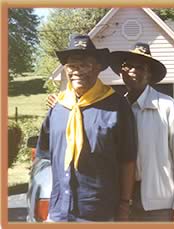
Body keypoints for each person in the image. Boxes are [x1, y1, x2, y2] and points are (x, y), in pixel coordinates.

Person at [36, 34, 137, 222]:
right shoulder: (58, 108)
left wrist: (124, 204)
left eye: (85, 65)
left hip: (98, 212)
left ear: (98, 68)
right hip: (59, 212)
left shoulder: (117, 106)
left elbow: (128, 160)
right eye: (72, 66)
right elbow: (44, 156)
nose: (77, 71)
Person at [108, 42, 174, 222]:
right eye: (128, 66)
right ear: (120, 72)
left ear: (149, 74)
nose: (133, 71)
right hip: (122, 202)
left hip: (159, 204)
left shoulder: (166, 106)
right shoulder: (115, 108)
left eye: (140, 67)